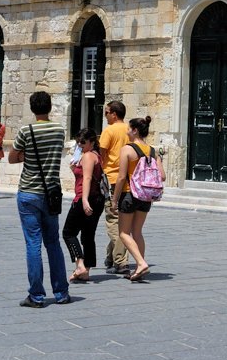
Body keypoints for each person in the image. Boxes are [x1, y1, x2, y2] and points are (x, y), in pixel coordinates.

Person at [7, 91, 70, 308]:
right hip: (51, 192)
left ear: (32, 109)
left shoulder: (26, 130)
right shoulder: (59, 130)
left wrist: (28, 155)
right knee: (53, 242)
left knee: (33, 243)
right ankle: (61, 292)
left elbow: (12, 157)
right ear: (50, 107)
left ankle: (36, 295)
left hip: (28, 192)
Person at [112, 116, 164, 282]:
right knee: (137, 232)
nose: (127, 131)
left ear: (135, 130)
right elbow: (162, 176)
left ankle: (141, 263)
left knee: (123, 233)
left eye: (129, 129)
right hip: (146, 196)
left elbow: (121, 178)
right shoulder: (153, 151)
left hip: (129, 194)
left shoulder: (127, 149)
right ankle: (139, 268)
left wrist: (114, 199)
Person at [62, 128, 105, 283]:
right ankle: (86, 271)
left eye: (83, 142)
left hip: (84, 198)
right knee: (88, 235)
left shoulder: (87, 156)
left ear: (92, 142)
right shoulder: (96, 156)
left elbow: (86, 179)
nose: (80, 145)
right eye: (78, 141)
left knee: (68, 232)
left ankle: (79, 264)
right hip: (97, 199)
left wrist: (84, 200)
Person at [98, 100, 130, 274]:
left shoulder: (108, 131)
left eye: (106, 112)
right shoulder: (130, 130)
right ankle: (111, 256)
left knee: (113, 220)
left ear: (114, 114)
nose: (105, 115)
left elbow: (102, 155)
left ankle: (120, 261)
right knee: (122, 219)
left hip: (111, 179)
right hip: (128, 180)